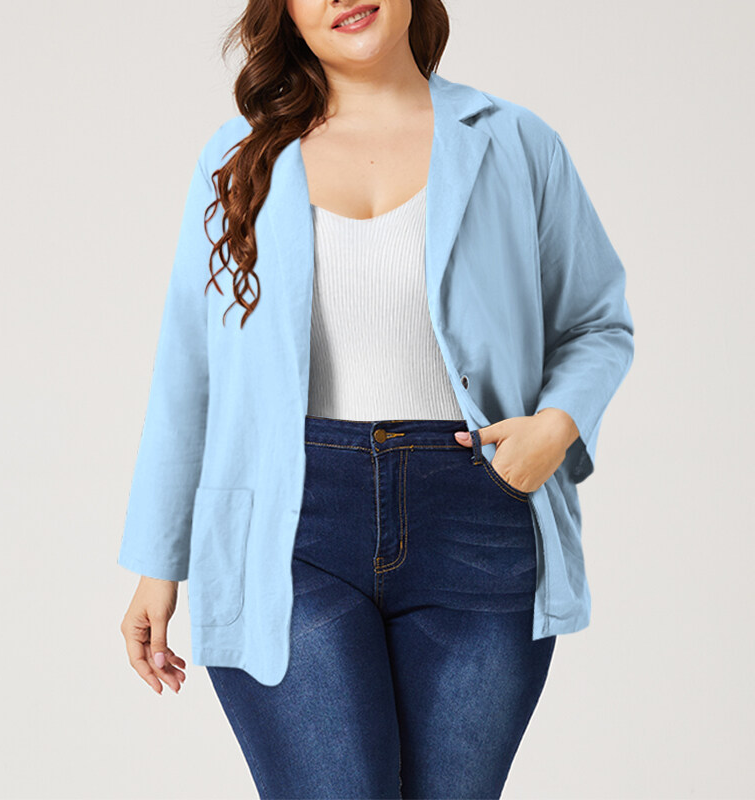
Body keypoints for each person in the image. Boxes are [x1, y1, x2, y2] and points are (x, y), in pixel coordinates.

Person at [118, 1, 635, 797]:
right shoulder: (238, 158)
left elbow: (598, 322)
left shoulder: (514, 141)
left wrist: (555, 428)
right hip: (287, 526)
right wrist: (158, 563)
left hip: (478, 516)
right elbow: (190, 367)